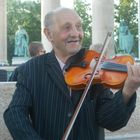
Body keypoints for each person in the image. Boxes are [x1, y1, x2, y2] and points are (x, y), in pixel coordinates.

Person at [3, 7, 140, 140]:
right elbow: (14, 114)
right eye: (67, 27)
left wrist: (127, 91)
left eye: (79, 27)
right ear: (49, 34)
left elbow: (110, 122)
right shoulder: (30, 70)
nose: (76, 33)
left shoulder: (96, 69)